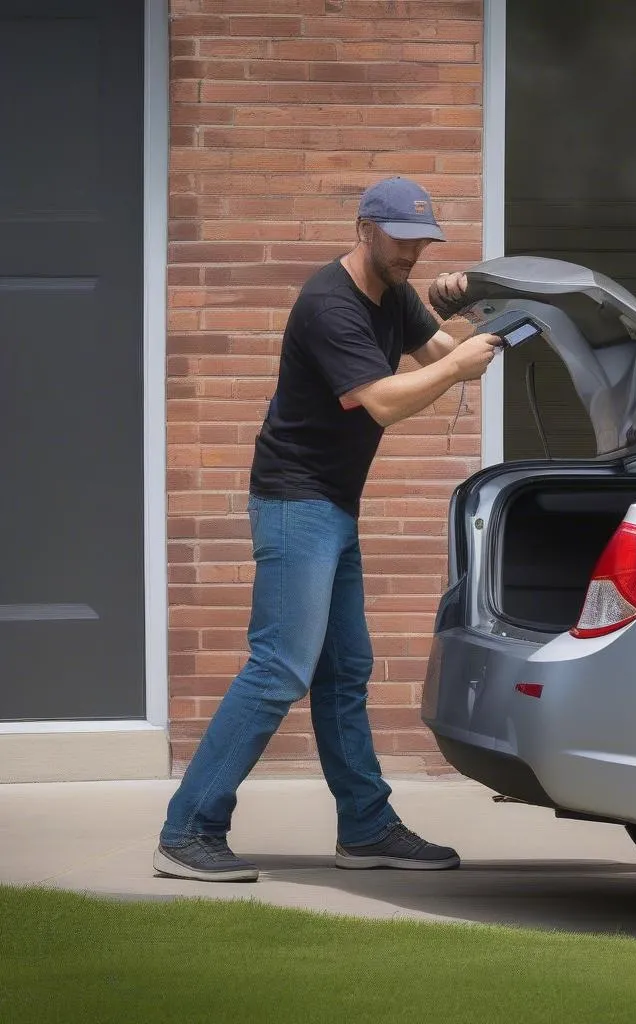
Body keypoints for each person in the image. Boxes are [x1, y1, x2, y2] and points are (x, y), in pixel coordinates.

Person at [154, 177, 500, 882]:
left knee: (344, 673)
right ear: (365, 228)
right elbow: (379, 403)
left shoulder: (396, 292)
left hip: (333, 504)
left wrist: (480, 304)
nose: (411, 252)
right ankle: (187, 829)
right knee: (280, 666)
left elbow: (444, 354)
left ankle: (367, 829)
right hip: (294, 502)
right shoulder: (327, 303)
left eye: (422, 241)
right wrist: (460, 361)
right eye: (401, 238)